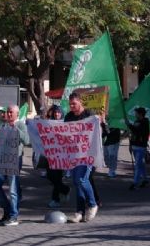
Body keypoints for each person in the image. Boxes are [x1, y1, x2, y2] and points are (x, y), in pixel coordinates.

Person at [0, 104, 29, 226]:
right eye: (8, 112)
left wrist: (15, 129)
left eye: (11, 112)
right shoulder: (3, 125)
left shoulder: (20, 124)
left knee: (13, 190)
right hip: (1, 161)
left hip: (14, 161)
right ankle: (7, 210)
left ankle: (13, 216)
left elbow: (27, 140)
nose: (9, 114)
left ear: (17, 114)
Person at [64, 93, 99, 223]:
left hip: (88, 154)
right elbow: (63, 131)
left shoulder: (90, 115)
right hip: (74, 154)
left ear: (80, 102)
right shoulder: (68, 116)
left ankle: (92, 204)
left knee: (81, 179)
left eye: (74, 104)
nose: (72, 106)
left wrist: (101, 123)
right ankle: (79, 212)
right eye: (70, 104)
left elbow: (99, 131)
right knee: (77, 183)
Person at [44, 105, 70, 208]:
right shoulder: (49, 123)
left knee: (57, 178)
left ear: (61, 113)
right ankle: (65, 190)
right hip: (50, 155)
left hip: (61, 155)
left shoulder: (65, 124)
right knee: (50, 176)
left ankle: (55, 200)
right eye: (55, 112)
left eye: (58, 112)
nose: (56, 114)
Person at [127, 107, 150, 191]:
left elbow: (139, 132)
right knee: (141, 164)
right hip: (134, 145)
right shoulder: (136, 121)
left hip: (141, 146)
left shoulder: (145, 122)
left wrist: (130, 125)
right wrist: (130, 145)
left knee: (137, 165)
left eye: (136, 113)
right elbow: (133, 134)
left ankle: (135, 183)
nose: (135, 114)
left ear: (140, 114)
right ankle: (145, 179)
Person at [101, 110, 121, 178]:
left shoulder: (115, 123)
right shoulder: (107, 123)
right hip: (107, 142)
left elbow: (109, 132)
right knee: (106, 157)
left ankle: (112, 171)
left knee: (112, 156)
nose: (106, 117)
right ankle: (111, 169)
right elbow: (105, 133)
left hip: (114, 142)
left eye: (107, 115)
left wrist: (104, 126)